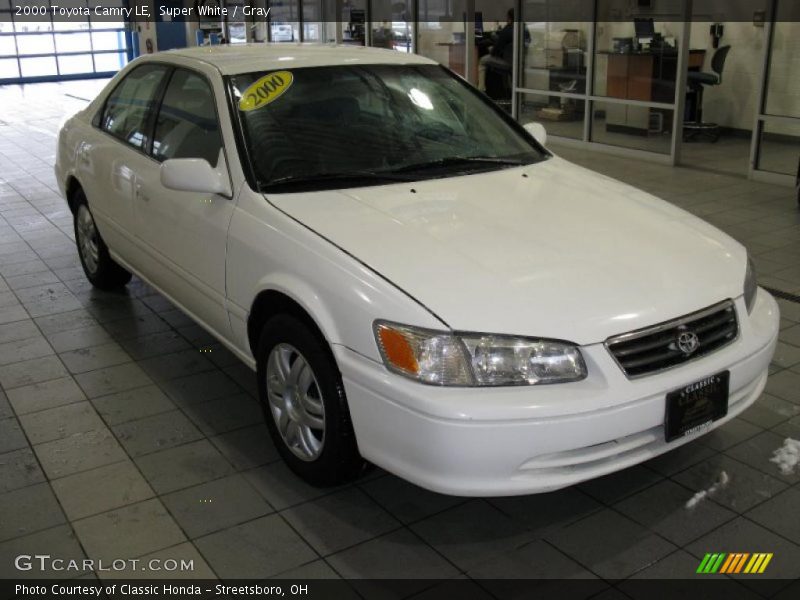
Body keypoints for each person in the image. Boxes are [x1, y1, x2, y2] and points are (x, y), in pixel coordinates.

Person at [478, 8, 529, 92]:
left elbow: (495, 51)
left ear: (509, 18)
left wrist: (491, 49)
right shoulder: (524, 28)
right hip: (520, 62)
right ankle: (509, 89)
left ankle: (481, 90)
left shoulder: (508, 29)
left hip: (508, 63)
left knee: (482, 61)